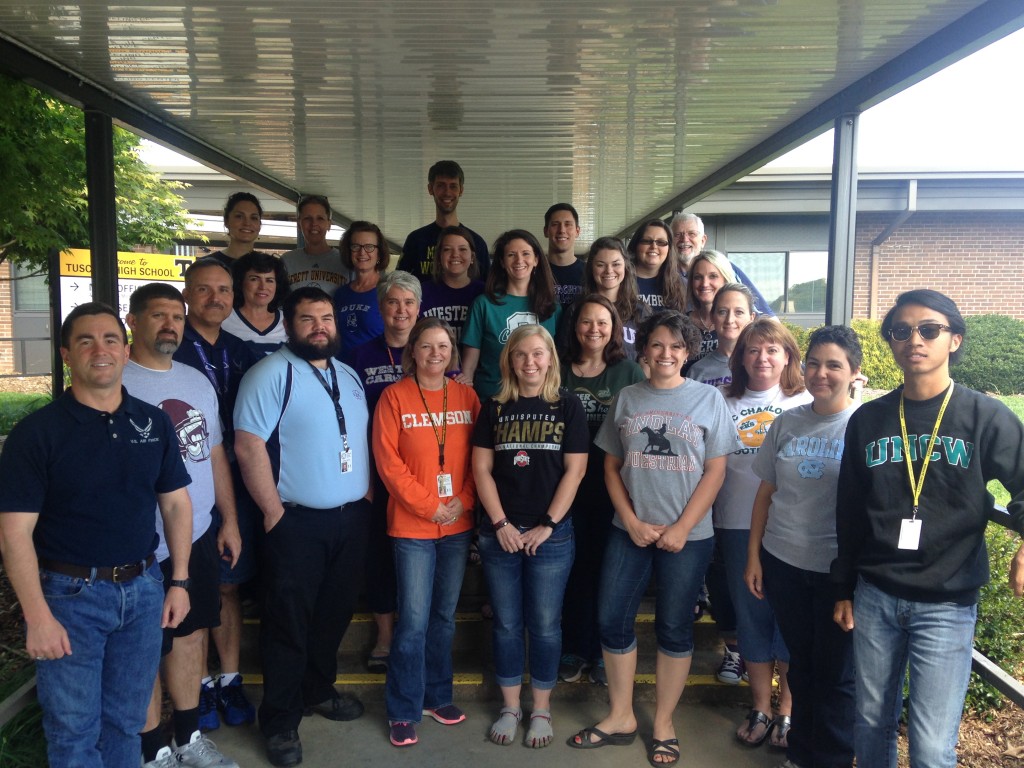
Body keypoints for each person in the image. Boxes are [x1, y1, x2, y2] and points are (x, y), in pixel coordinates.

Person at [831, 289, 1024, 768]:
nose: (914, 339)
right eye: (901, 330)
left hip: (946, 603)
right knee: (870, 723)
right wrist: (843, 587)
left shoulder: (984, 417)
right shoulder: (869, 420)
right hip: (875, 594)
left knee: (933, 747)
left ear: (954, 339)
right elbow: (850, 510)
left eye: (929, 329)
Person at [0, 302, 193, 768]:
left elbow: (175, 503)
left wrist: (179, 581)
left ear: (126, 351)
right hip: (69, 599)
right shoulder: (37, 434)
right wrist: (37, 617)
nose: (100, 350)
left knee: (127, 722)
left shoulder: (153, 422)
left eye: (110, 340)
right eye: (85, 341)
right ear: (67, 355)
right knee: (73, 732)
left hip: (144, 591)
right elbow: (13, 534)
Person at [572, 311, 737, 766]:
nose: (666, 353)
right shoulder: (627, 397)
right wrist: (631, 520)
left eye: (676, 346)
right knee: (611, 619)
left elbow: (716, 470)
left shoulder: (708, 398)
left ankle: (663, 723)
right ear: (643, 349)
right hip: (629, 531)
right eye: (657, 344)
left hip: (690, 536)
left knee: (674, 627)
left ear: (688, 352)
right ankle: (621, 715)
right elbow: (610, 466)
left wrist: (682, 528)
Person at [233, 287, 372, 768]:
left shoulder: (347, 374)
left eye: (326, 317)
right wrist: (273, 512)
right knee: (287, 623)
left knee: (333, 615)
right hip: (296, 521)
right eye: (308, 319)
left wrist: (366, 494)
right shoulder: (270, 373)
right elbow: (248, 445)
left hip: (350, 520)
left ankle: (317, 689)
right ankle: (280, 720)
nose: (319, 327)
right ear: (288, 325)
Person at [122, 284, 241, 768]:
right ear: (133, 321)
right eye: (158, 315)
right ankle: (153, 750)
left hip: (196, 535)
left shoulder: (196, 381)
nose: (170, 324)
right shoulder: (116, 381)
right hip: (139, 542)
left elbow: (213, 454)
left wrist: (229, 519)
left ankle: (189, 739)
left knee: (190, 636)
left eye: (177, 316)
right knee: (144, 646)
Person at [746, 325, 862, 768]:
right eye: (813, 363)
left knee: (836, 675)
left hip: (837, 575)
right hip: (784, 564)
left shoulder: (864, 426)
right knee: (802, 666)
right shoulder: (787, 422)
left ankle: (831, 758)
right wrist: (754, 556)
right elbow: (765, 493)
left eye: (833, 365)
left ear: (854, 372)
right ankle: (800, 753)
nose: (820, 373)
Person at [472, 325, 588, 748]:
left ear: (550, 358)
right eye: (520, 354)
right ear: (509, 360)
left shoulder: (567, 405)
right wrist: (500, 523)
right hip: (500, 533)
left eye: (538, 353)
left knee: (544, 625)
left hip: (550, 536)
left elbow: (576, 470)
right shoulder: (494, 407)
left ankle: (540, 708)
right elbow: (481, 469)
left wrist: (549, 524)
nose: (530, 362)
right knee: (506, 624)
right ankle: (510, 707)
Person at [372, 318, 481, 747]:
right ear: (412, 352)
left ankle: (438, 697)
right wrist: (430, 506)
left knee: (443, 618)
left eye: (443, 346)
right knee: (414, 621)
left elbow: (480, 458)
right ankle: (403, 709)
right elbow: (388, 463)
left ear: (452, 352)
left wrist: (463, 501)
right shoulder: (394, 396)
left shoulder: (467, 396)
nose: (436, 354)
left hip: (457, 523)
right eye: (427, 346)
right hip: (412, 526)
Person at [715, 318, 810, 750]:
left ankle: (787, 710)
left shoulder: (804, 400)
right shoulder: (722, 399)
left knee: (789, 620)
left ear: (788, 356)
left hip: (792, 527)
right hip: (735, 522)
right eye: (753, 350)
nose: (762, 358)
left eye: (772, 350)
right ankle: (760, 708)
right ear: (740, 358)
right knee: (752, 617)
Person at [174, 259, 260, 732]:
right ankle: (199, 685)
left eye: (224, 290)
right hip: (180, 485)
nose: (215, 298)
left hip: (233, 482)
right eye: (204, 290)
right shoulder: (171, 348)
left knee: (228, 584)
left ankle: (229, 678)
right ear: (187, 294)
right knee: (191, 587)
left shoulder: (240, 350)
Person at [558, 295, 644, 686]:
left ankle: (606, 653)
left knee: (610, 574)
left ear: (614, 329)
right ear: (574, 326)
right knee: (575, 570)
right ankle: (575, 649)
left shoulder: (628, 371)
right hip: (566, 487)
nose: (594, 329)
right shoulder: (558, 369)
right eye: (586, 322)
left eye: (603, 323)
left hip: (615, 487)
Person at [348, 270, 422, 672]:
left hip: (422, 476)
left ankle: (415, 634)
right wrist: (359, 478)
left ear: (419, 308)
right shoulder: (358, 357)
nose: (401, 310)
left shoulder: (434, 352)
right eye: (393, 302)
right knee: (379, 556)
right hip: (375, 476)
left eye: (409, 302)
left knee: (417, 559)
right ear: (380, 308)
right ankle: (385, 636)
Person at [461, 229, 561, 400]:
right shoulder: (484, 304)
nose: (519, 260)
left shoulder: (552, 307)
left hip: (539, 400)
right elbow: (469, 367)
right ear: (501, 261)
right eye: (511, 255)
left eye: (526, 253)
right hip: (492, 399)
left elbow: (556, 362)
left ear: (536, 259)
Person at [558, 237, 651, 361]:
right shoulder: (576, 310)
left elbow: (647, 357)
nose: (609, 271)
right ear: (591, 268)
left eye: (616, 264)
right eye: (600, 265)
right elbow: (564, 356)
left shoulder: (641, 310)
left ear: (625, 266)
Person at [398, 160, 491, 281]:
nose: (447, 192)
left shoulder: (476, 243)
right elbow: (397, 283)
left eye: (453, 186)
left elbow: (489, 287)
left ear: (461, 190)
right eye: (441, 185)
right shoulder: (416, 240)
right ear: (430, 189)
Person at [670, 213, 774, 317]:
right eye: (677, 235)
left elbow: (765, 315)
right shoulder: (664, 273)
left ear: (703, 240)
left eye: (692, 234)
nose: (684, 239)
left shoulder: (725, 267)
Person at [419, 225, 485, 345]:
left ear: (472, 257)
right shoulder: (421, 292)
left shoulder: (485, 293)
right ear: (439, 257)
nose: (455, 254)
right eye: (447, 249)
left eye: (462, 249)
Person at [334, 220, 390, 360]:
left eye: (369, 247)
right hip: (343, 369)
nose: (362, 252)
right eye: (355, 246)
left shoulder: (389, 291)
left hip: (375, 367)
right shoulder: (340, 294)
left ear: (379, 253)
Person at [687, 282, 755, 388]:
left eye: (739, 312)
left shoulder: (761, 364)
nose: (730, 320)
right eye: (723, 312)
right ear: (712, 317)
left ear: (751, 318)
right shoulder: (697, 372)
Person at [221, 251, 289, 356]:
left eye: (269, 280)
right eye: (254, 279)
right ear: (240, 282)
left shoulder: (288, 321)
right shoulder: (224, 319)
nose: (263, 287)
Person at [282, 194, 348, 292]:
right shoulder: (287, 261)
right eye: (307, 218)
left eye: (320, 218)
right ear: (299, 224)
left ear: (329, 224)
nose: (314, 224)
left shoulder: (345, 261)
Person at [686, 250, 737, 367]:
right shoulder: (681, 324)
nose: (704, 284)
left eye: (713, 276)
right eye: (698, 277)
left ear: (726, 280)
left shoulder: (738, 324)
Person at [627, 218, 687, 311]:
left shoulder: (682, 285)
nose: (654, 246)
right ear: (636, 245)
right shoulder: (620, 281)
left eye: (661, 242)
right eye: (647, 241)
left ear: (669, 249)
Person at [205, 192, 263, 267]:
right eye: (239, 216)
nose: (247, 223)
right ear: (226, 221)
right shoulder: (207, 266)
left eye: (253, 218)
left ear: (260, 224)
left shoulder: (270, 267)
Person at [544, 203, 585, 308]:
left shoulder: (590, 272)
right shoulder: (534, 271)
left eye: (568, 224)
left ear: (577, 231)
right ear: (546, 231)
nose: (562, 230)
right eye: (555, 224)